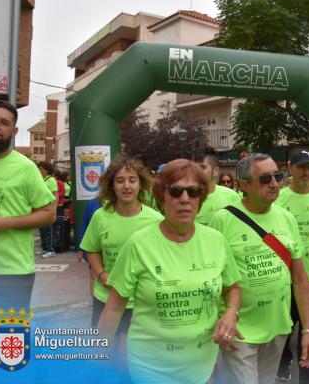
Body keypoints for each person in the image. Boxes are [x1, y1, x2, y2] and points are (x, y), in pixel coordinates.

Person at [98, 159, 241, 383]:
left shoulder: (217, 241)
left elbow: (232, 287)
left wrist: (231, 313)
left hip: (202, 365)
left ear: (200, 199)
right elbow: (115, 308)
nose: (185, 199)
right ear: (162, 198)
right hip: (150, 367)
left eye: (193, 192)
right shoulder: (139, 244)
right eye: (175, 191)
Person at [209, 153, 309, 384]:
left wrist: (308, 330)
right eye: (265, 178)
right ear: (244, 185)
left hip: (277, 328)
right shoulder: (223, 220)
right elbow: (211, 277)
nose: (275, 184)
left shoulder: (287, 218)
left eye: (277, 176)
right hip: (238, 331)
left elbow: (299, 279)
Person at [81, 156, 162, 355]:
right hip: (105, 297)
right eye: (120, 180)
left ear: (140, 184)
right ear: (112, 186)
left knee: (127, 362)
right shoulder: (100, 216)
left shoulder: (155, 220)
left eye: (132, 180)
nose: (127, 186)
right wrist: (101, 275)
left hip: (140, 301)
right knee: (103, 357)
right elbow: (92, 250)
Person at [0, 99, 56, 312]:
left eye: (4, 122)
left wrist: (4, 223)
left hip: (11, 273)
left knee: (9, 342)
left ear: (14, 130)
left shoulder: (26, 168)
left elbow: (49, 213)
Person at [275, 149, 309, 383]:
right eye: (301, 167)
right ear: (290, 168)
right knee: (283, 331)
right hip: (285, 279)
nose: (306, 172)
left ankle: (308, 380)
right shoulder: (279, 198)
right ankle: (283, 359)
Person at [194, 148, 241, 226]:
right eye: (194, 168)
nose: (197, 172)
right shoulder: (186, 198)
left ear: (215, 171)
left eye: (202, 167)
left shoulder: (232, 196)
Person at [37, 161, 59, 258]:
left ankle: (50, 250)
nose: (39, 170)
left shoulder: (51, 180)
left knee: (48, 230)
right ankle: (45, 248)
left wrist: (54, 208)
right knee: (42, 230)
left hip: (48, 208)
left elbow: (55, 194)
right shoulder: (42, 180)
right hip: (41, 208)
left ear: (46, 170)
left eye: (41, 168)